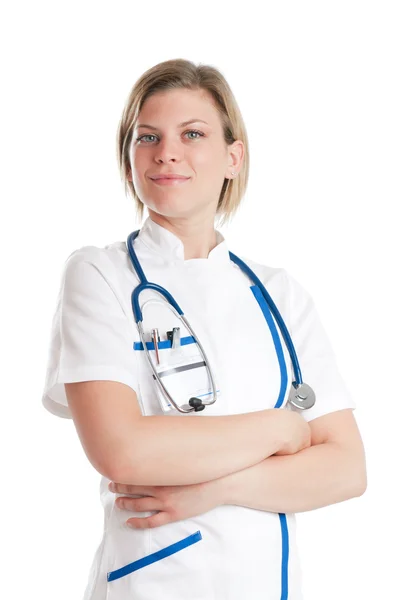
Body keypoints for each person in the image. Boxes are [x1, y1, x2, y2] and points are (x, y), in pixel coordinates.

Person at [41, 58, 366, 600]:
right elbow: (122, 449)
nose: (168, 152)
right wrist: (283, 430)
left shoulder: (279, 293)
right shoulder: (100, 274)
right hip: (154, 582)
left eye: (193, 134)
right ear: (128, 162)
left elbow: (346, 469)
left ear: (232, 158)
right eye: (148, 137)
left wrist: (216, 488)